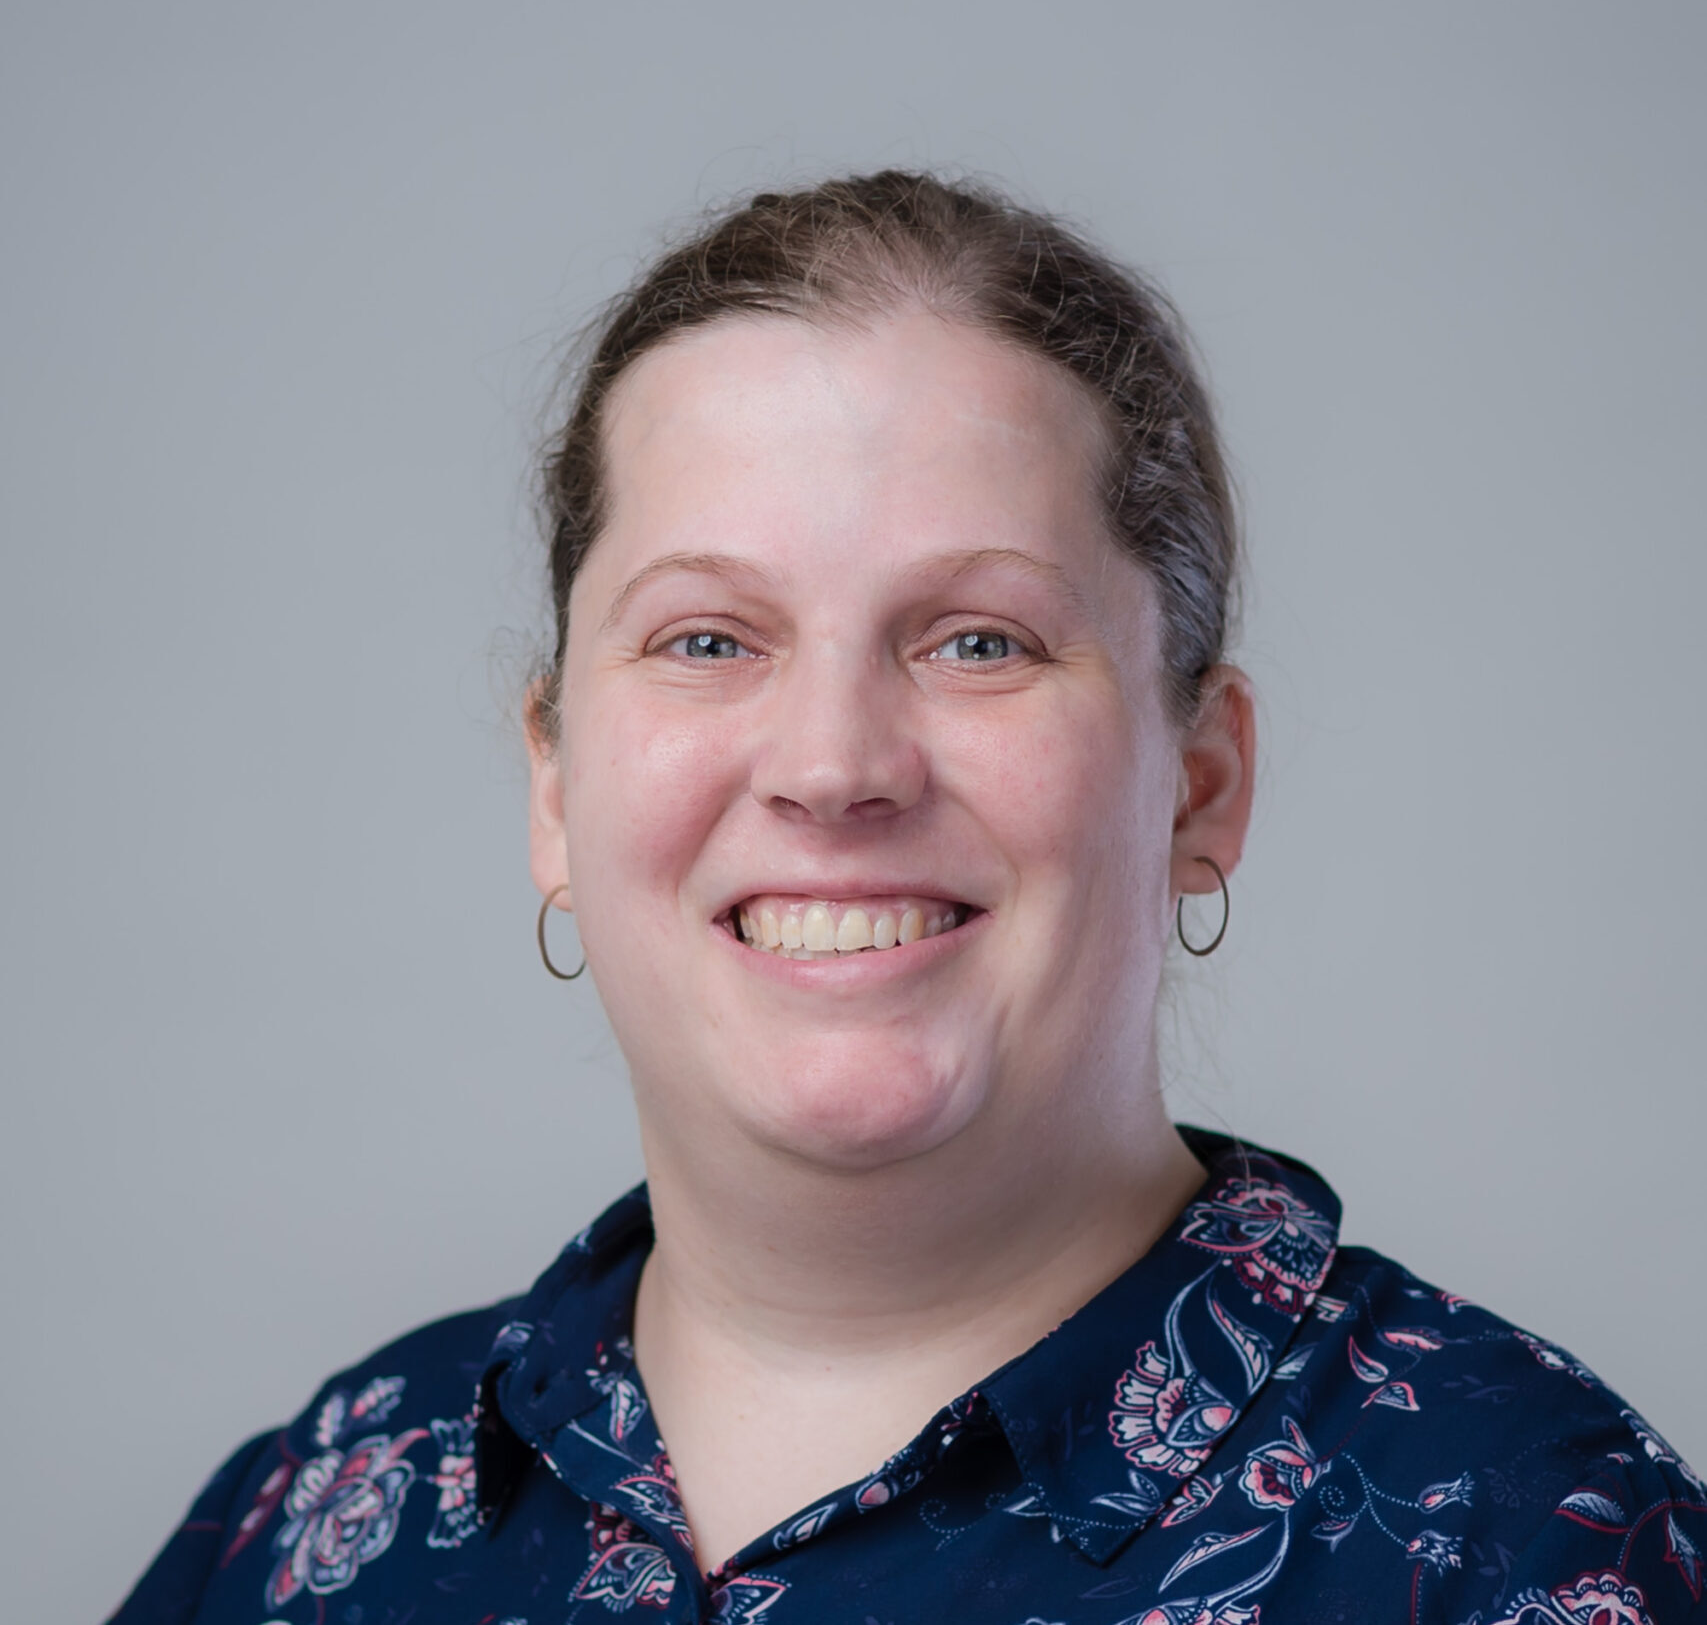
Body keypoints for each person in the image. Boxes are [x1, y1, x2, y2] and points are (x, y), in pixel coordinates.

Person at [110, 172, 1703, 1625]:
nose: (833, 766)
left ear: (1200, 786)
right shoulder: (317, 1522)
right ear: (554, 784)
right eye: (709, 639)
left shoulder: (1529, 1548)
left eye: (977, 640)